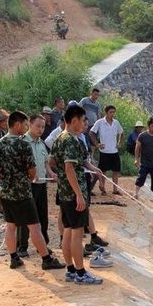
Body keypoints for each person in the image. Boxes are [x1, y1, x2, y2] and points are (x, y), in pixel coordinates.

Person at [0, 111, 65, 271]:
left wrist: (4, 180)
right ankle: (46, 259)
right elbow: (32, 171)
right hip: (23, 192)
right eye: (25, 124)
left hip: (6, 192)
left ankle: (14, 258)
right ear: (17, 125)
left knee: (11, 226)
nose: (25, 128)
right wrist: (30, 178)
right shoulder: (23, 144)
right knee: (35, 227)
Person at [50, 104, 106, 284]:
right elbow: (69, 168)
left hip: (65, 194)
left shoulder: (60, 138)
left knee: (67, 231)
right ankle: (81, 273)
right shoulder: (71, 140)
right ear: (74, 121)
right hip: (74, 195)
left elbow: (71, 162)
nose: (84, 124)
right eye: (82, 121)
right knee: (76, 233)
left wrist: (94, 168)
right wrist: (79, 195)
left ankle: (71, 270)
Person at [16, 115, 56, 257]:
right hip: (27, 186)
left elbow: (45, 162)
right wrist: (29, 175)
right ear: (30, 125)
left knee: (42, 216)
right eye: (38, 126)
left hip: (41, 184)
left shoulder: (41, 143)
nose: (40, 129)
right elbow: (18, 165)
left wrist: (51, 173)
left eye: (43, 127)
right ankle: (22, 247)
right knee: (25, 217)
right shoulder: (22, 142)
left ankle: (42, 245)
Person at [89, 105, 124, 195]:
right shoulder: (100, 122)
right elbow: (91, 133)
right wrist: (97, 144)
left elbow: (122, 133)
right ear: (106, 113)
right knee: (103, 171)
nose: (112, 114)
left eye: (113, 112)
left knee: (115, 171)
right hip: (104, 151)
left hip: (114, 151)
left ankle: (115, 189)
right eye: (110, 112)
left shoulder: (116, 122)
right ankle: (102, 189)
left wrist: (119, 143)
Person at [134, 117, 153, 202]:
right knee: (141, 178)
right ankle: (136, 194)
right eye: (152, 126)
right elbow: (137, 148)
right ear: (148, 126)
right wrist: (136, 159)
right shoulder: (142, 136)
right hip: (144, 162)